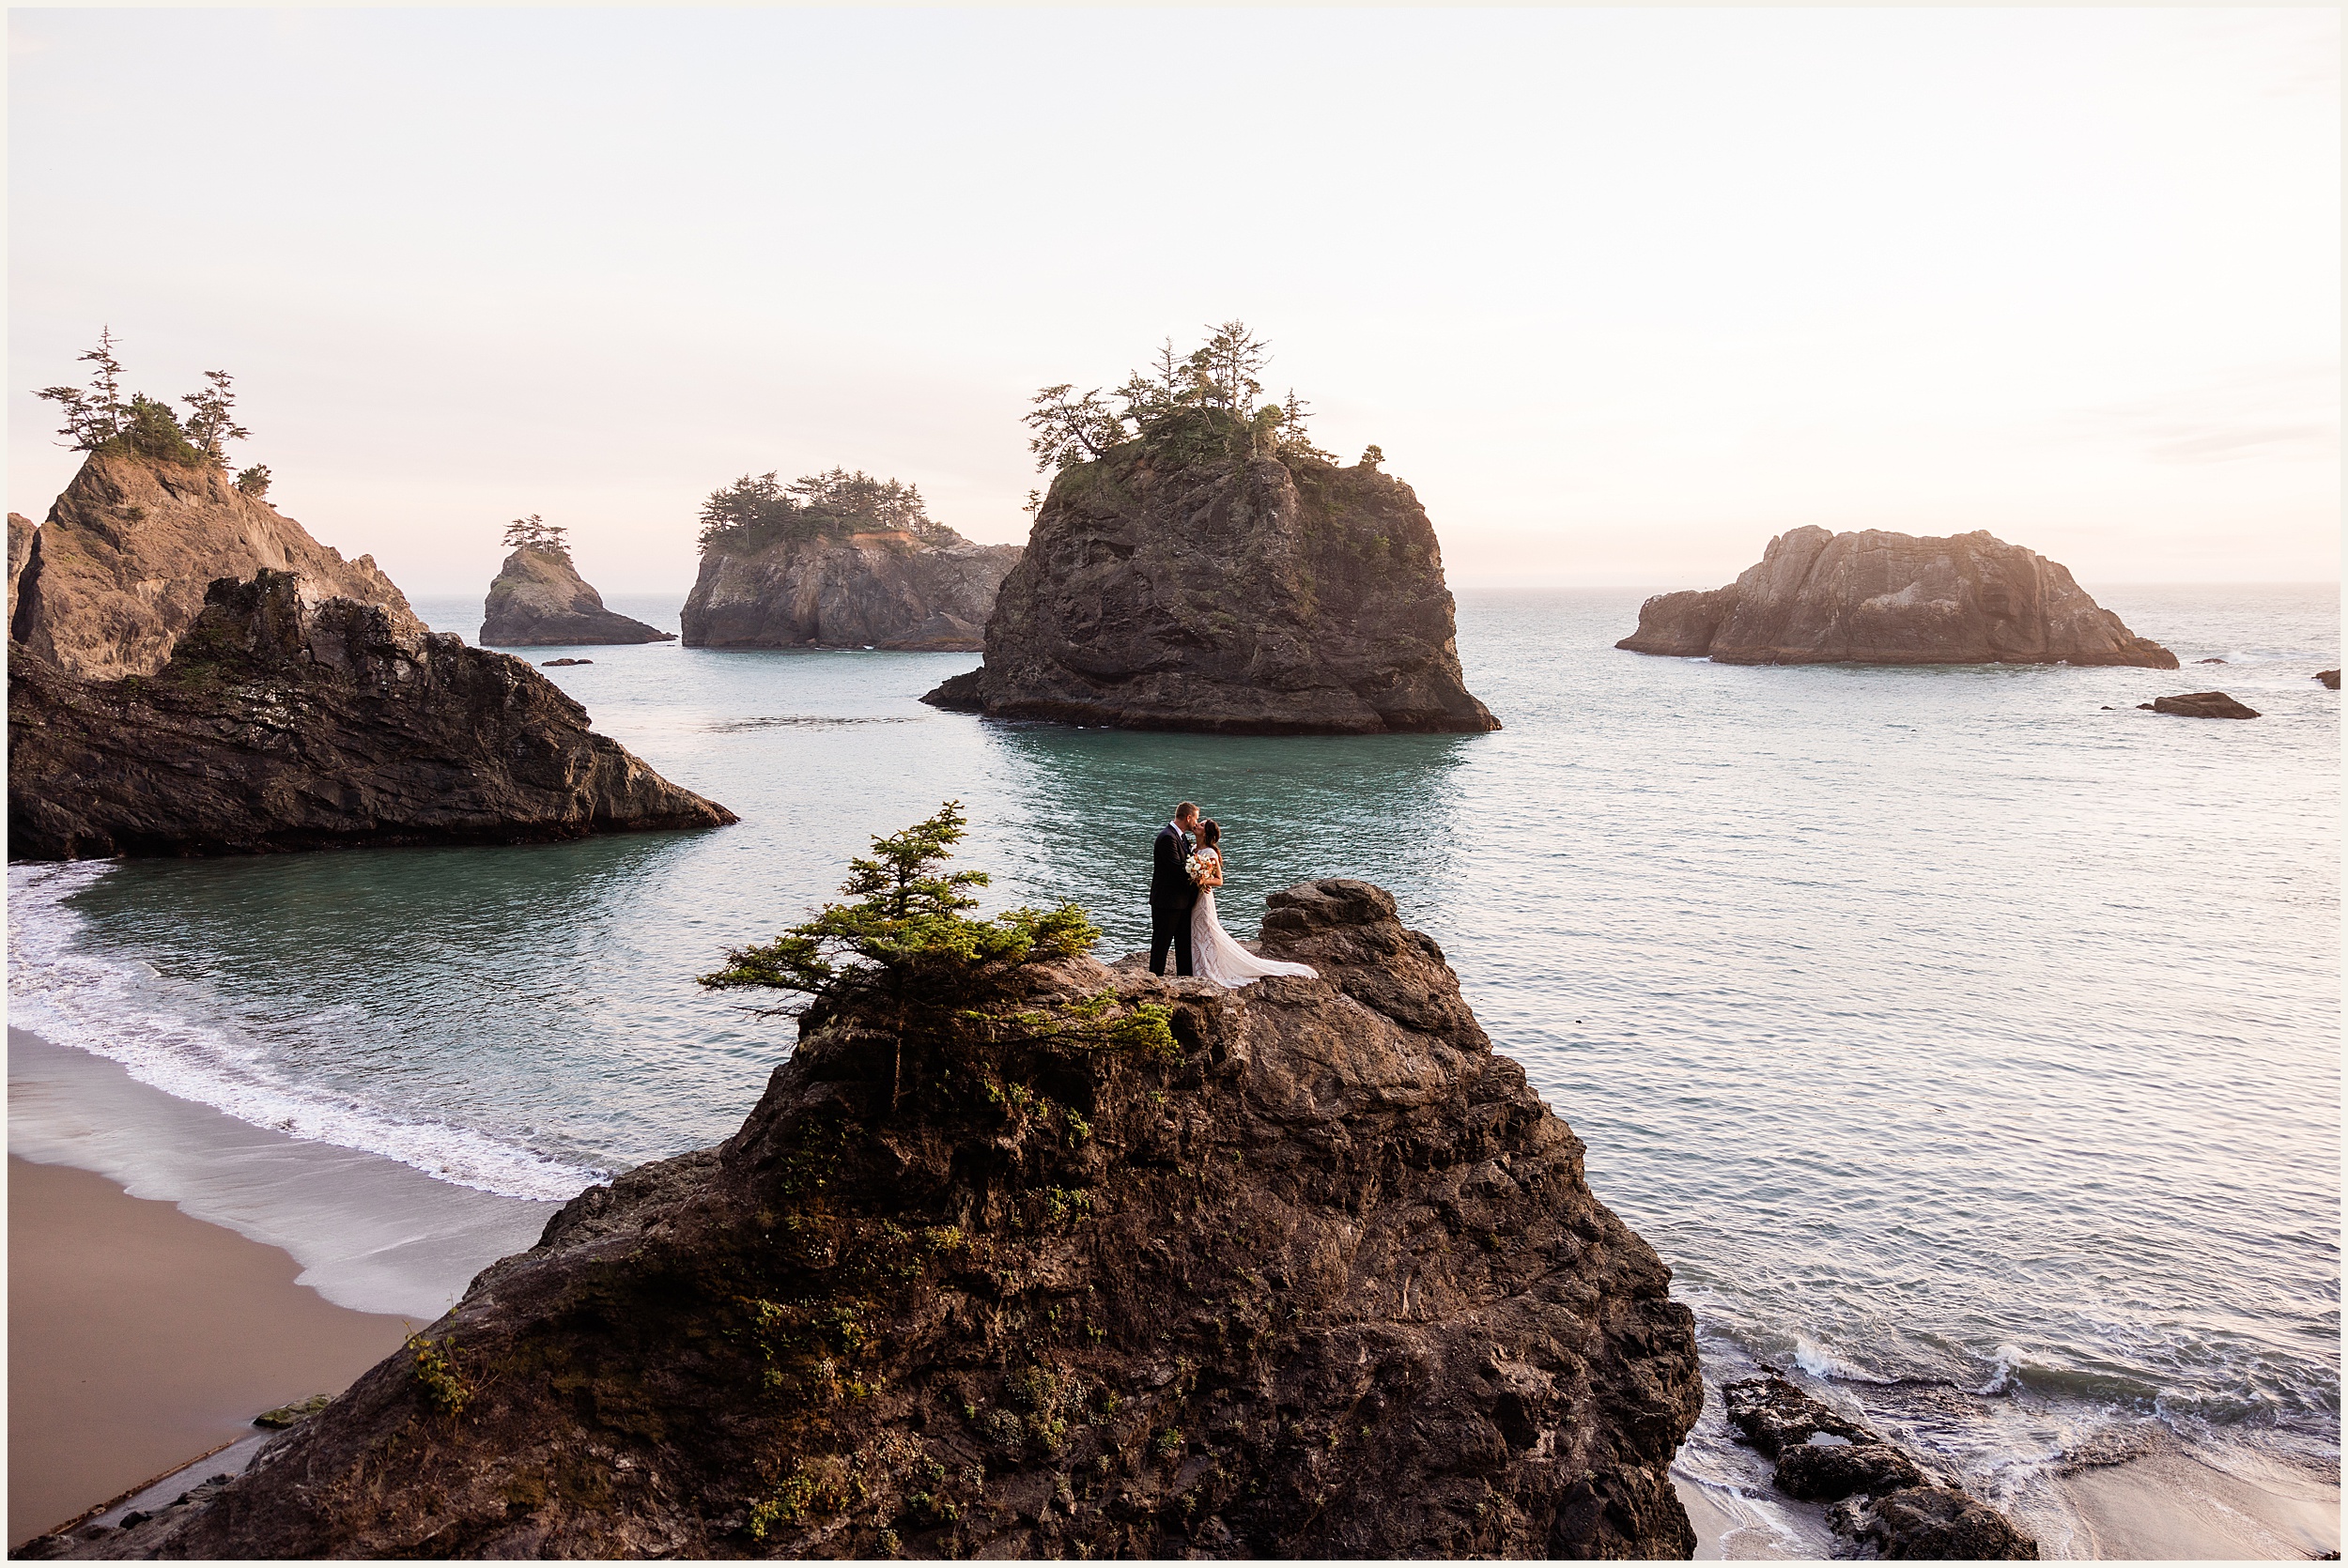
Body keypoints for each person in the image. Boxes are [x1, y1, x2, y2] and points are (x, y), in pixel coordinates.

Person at [1187, 819, 1318, 988]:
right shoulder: (1192, 849)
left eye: (1202, 825)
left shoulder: (1210, 853)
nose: (1197, 824)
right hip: (1192, 898)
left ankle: (1208, 968)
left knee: (1206, 931)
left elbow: (1219, 880)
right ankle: (1197, 965)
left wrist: (1202, 879)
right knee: (1195, 932)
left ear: (1207, 833)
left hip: (1203, 897)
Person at [1149, 802, 1202, 976]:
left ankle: (1185, 979)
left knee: (1184, 944)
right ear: (1188, 817)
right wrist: (1200, 877)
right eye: (1196, 818)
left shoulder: (1181, 837)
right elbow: (1177, 869)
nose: (1196, 822)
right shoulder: (1167, 837)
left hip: (1182, 901)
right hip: (1167, 902)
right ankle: (1154, 978)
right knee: (1161, 944)